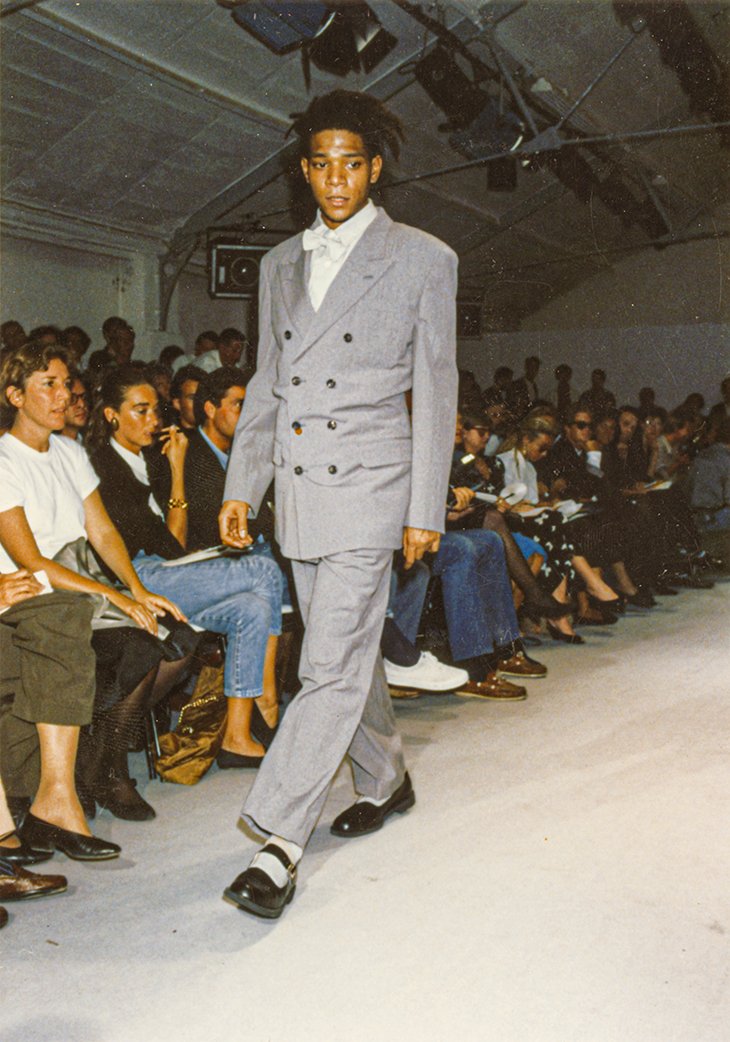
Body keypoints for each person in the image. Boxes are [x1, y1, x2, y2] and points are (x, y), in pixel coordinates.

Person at [219, 89, 459, 920]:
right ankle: (386, 777)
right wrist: (241, 484)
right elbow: (265, 382)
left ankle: (278, 842)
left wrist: (423, 504)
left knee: (323, 665)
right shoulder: (278, 263)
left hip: (370, 487)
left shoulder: (424, 258)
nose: (335, 178)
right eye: (320, 163)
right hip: (299, 491)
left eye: (350, 163)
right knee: (347, 653)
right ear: (304, 170)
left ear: (375, 168)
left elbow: (435, 387)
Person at [0, 341, 189, 835]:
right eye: (49, 385)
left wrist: (135, 587)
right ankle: (102, 772)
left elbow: (102, 530)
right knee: (134, 643)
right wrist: (115, 597)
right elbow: (32, 559)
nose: (64, 395)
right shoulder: (4, 458)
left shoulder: (68, 450)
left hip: (81, 583)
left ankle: (98, 764)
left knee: (175, 639)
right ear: (15, 396)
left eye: (66, 384)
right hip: (35, 595)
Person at [87, 365, 283, 769]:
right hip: (131, 577)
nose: (153, 420)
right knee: (264, 572)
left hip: (164, 569)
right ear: (111, 416)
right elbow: (148, 546)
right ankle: (267, 698)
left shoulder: (154, 459)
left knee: (253, 607)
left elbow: (173, 542)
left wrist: (175, 471)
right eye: (140, 411)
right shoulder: (102, 466)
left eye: (155, 411)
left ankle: (237, 737)